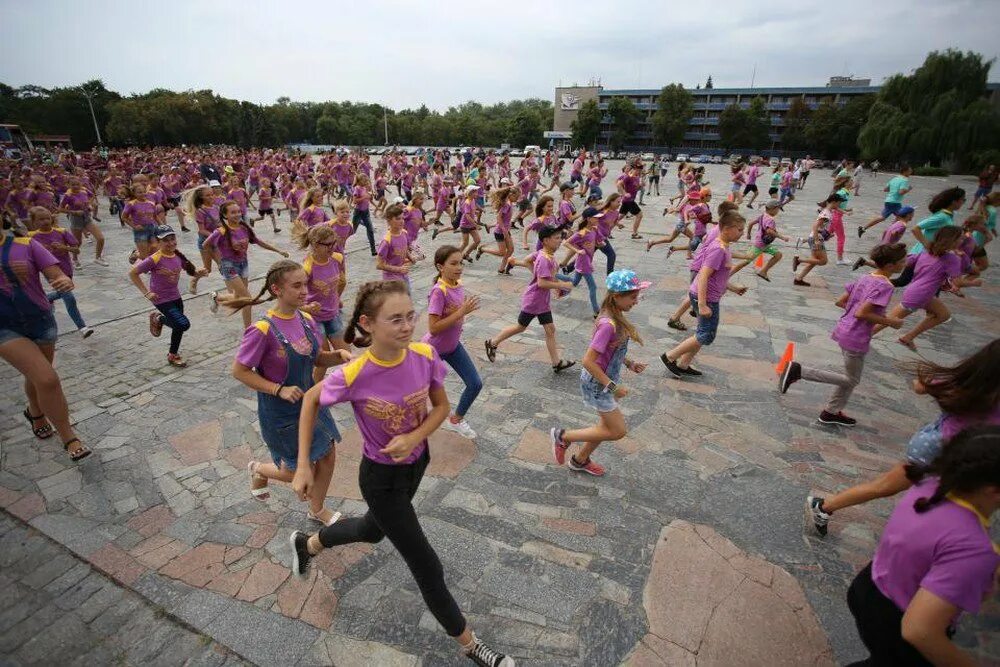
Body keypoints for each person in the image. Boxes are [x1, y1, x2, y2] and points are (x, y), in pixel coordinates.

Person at [288, 280, 515, 667]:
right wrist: (303, 466)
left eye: (411, 316)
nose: (407, 325)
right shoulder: (355, 372)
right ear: (367, 323)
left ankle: (308, 545)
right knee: (427, 564)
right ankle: (470, 644)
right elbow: (310, 399)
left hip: (417, 464)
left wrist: (414, 437)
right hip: (380, 480)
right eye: (395, 319)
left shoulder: (425, 356)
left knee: (372, 531)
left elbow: (441, 408)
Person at [805, 339, 1000, 536]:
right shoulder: (979, 394)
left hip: (937, 446)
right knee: (892, 489)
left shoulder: (968, 384)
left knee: (889, 488)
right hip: (940, 453)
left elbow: (919, 386)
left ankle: (825, 506)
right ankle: (825, 506)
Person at [844, 425, 1000, 667]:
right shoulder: (974, 549)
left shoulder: (929, 485)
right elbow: (919, 630)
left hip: (869, 587)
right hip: (897, 621)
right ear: (994, 491)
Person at [231, 260, 347, 522]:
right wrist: (277, 389)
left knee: (327, 455)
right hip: (282, 414)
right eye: (296, 285)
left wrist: (337, 356)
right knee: (295, 471)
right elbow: (239, 371)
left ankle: (317, 510)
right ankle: (259, 469)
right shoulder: (261, 330)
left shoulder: (305, 318)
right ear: (277, 289)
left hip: (311, 403)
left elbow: (316, 358)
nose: (304, 290)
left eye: (305, 283)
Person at [780, 243, 908, 426]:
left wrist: (865, 312)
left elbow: (841, 302)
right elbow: (862, 313)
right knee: (852, 379)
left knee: (849, 377)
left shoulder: (866, 277)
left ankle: (830, 412)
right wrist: (891, 322)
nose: (905, 264)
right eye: (902, 261)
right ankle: (800, 371)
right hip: (856, 336)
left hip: (845, 330)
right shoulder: (885, 286)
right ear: (890, 265)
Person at [0, 223, 90, 460]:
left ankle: (35, 412)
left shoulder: (26, 244)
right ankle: (69, 437)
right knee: (47, 378)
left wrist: (63, 281)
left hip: (40, 320)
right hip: (4, 327)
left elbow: (55, 273)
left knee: (37, 374)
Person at [550, 269, 649, 477]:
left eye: (637, 296)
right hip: (598, 384)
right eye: (633, 297)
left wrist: (629, 363)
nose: (636, 301)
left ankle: (580, 460)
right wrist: (612, 386)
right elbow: (588, 361)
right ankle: (564, 437)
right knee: (617, 430)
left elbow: (610, 352)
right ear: (616, 296)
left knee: (604, 427)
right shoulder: (608, 324)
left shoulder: (616, 316)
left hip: (602, 382)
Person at [661, 212, 748, 378]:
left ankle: (683, 364)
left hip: (709, 296)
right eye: (740, 229)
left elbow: (717, 277)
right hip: (706, 298)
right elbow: (703, 276)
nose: (742, 233)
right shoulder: (719, 249)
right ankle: (670, 356)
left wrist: (734, 288)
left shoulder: (724, 246)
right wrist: (702, 304)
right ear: (728, 229)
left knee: (704, 332)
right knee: (706, 334)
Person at [484, 225, 575, 373]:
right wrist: (562, 284)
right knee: (521, 326)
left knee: (550, 329)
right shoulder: (545, 259)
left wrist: (520, 265)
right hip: (535, 301)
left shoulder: (543, 253)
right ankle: (493, 342)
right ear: (546, 240)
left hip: (541, 301)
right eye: (557, 238)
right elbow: (542, 283)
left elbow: (527, 261)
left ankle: (556, 362)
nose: (560, 241)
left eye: (560, 238)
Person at [876, 227, 980, 351]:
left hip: (922, 293)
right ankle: (861, 336)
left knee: (943, 315)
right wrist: (974, 283)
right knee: (888, 320)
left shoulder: (928, 251)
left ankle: (908, 338)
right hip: (919, 295)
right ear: (952, 240)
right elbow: (957, 282)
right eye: (961, 238)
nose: (962, 241)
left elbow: (909, 262)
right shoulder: (952, 259)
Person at [422, 246, 483, 440]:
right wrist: (461, 312)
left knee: (475, 383)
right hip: (432, 350)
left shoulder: (457, 284)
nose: (459, 267)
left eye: (461, 262)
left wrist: (460, 314)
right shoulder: (439, 291)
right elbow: (433, 328)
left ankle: (456, 419)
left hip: (453, 346)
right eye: (453, 263)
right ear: (440, 267)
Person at [205, 200, 290, 329]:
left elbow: (258, 241)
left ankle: (217, 298)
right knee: (247, 298)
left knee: (237, 296)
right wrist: (219, 261)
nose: (237, 214)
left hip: (243, 264)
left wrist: (278, 250)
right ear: (225, 215)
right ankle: (248, 329)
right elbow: (206, 245)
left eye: (238, 211)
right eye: (233, 212)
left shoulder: (244, 228)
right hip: (229, 266)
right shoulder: (221, 231)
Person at [130, 225, 206, 368]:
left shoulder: (178, 255)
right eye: (166, 240)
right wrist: (147, 293)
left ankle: (173, 354)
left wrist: (199, 273)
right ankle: (158, 318)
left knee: (178, 327)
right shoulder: (155, 258)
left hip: (175, 296)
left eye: (172, 239)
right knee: (183, 324)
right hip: (160, 299)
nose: (171, 243)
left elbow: (192, 272)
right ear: (157, 242)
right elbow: (133, 274)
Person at [26, 207, 93, 338]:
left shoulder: (62, 232)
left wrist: (64, 247)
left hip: (66, 270)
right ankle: (82, 327)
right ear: (34, 222)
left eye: (47, 218)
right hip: (50, 272)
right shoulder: (31, 237)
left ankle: (47, 298)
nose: (45, 221)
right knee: (69, 298)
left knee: (63, 292)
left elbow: (76, 250)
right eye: (41, 219)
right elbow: (27, 256)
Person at [730, 200, 788, 282]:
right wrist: (782, 237)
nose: (778, 211)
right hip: (760, 245)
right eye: (778, 209)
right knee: (746, 261)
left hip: (765, 244)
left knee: (778, 255)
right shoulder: (770, 220)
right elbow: (769, 231)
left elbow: (750, 224)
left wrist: (749, 234)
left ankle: (763, 272)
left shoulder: (763, 216)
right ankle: (728, 275)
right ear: (772, 209)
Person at [791, 195, 839, 286]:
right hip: (816, 239)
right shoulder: (826, 213)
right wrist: (817, 240)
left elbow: (820, 227)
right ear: (834, 202)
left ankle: (798, 279)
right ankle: (799, 260)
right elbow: (815, 226)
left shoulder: (827, 211)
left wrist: (826, 235)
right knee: (823, 261)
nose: (839, 205)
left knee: (814, 261)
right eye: (839, 203)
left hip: (814, 238)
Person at [59, 177, 108, 266]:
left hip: (87, 217)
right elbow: (60, 209)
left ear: (80, 184)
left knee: (100, 238)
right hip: (75, 219)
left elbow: (93, 195)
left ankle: (98, 258)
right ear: (68, 185)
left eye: (77, 184)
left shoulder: (84, 191)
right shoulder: (68, 195)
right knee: (78, 242)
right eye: (73, 185)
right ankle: (75, 259)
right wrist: (74, 212)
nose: (76, 186)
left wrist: (89, 204)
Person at [853, 207, 915, 271]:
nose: (913, 216)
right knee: (887, 267)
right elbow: (894, 233)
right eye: (912, 214)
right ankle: (865, 263)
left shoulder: (897, 222)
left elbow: (886, 231)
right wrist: (894, 242)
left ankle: (864, 262)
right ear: (908, 215)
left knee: (885, 266)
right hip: (888, 248)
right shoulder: (903, 225)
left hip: (884, 245)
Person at [858, 165, 912, 238]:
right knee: (902, 218)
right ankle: (890, 233)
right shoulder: (904, 180)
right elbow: (901, 192)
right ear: (905, 171)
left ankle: (864, 228)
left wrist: (894, 190)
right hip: (895, 202)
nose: (910, 172)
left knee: (890, 217)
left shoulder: (894, 179)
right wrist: (908, 189)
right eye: (910, 171)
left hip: (889, 201)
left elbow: (886, 189)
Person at [375, 203, 412, 286]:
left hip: (404, 276)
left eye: (403, 218)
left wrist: (411, 258)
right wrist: (398, 269)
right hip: (391, 280)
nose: (402, 221)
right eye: (398, 219)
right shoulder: (386, 241)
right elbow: (379, 265)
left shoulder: (404, 233)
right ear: (389, 220)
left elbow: (404, 248)